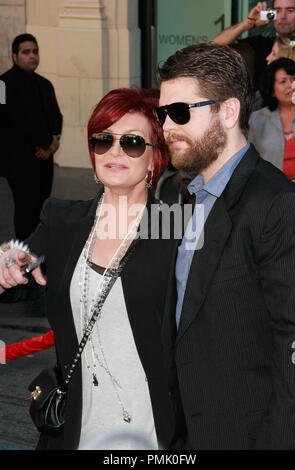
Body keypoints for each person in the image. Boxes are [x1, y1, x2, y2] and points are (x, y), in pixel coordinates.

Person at [0, 87, 185, 450]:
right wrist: (9, 255)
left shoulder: (177, 228)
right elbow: (17, 271)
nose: (114, 151)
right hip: (77, 428)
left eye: (132, 142)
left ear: (154, 159)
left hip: (151, 430)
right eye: (104, 140)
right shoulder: (62, 219)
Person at [157, 42, 295, 449]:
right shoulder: (181, 196)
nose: (167, 126)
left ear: (229, 111)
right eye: (163, 113)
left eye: (181, 112)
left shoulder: (278, 205)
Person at [0, 33, 63, 240]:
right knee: (25, 209)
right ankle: (23, 255)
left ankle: (38, 255)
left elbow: (56, 116)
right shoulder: (2, 85)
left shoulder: (44, 84)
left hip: (45, 158)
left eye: (35, 52)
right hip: (19, 160)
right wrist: (43, 145)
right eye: (26, 52)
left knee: (41, 207)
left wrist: (52, 145)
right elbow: (10, 121)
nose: (32, 56)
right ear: (15, 56)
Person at [213, 0, 295, 90]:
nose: (282, 16)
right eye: (277, 10)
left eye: (290, 10)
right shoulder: (263, 45)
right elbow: (213, 46)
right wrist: (249, 23)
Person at [249, 58, 295, 183]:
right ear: (272, 90)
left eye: (294, 79)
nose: (290, 85)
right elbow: (251, 160)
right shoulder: (257, 120)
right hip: (273, 189)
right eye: (283, 81)